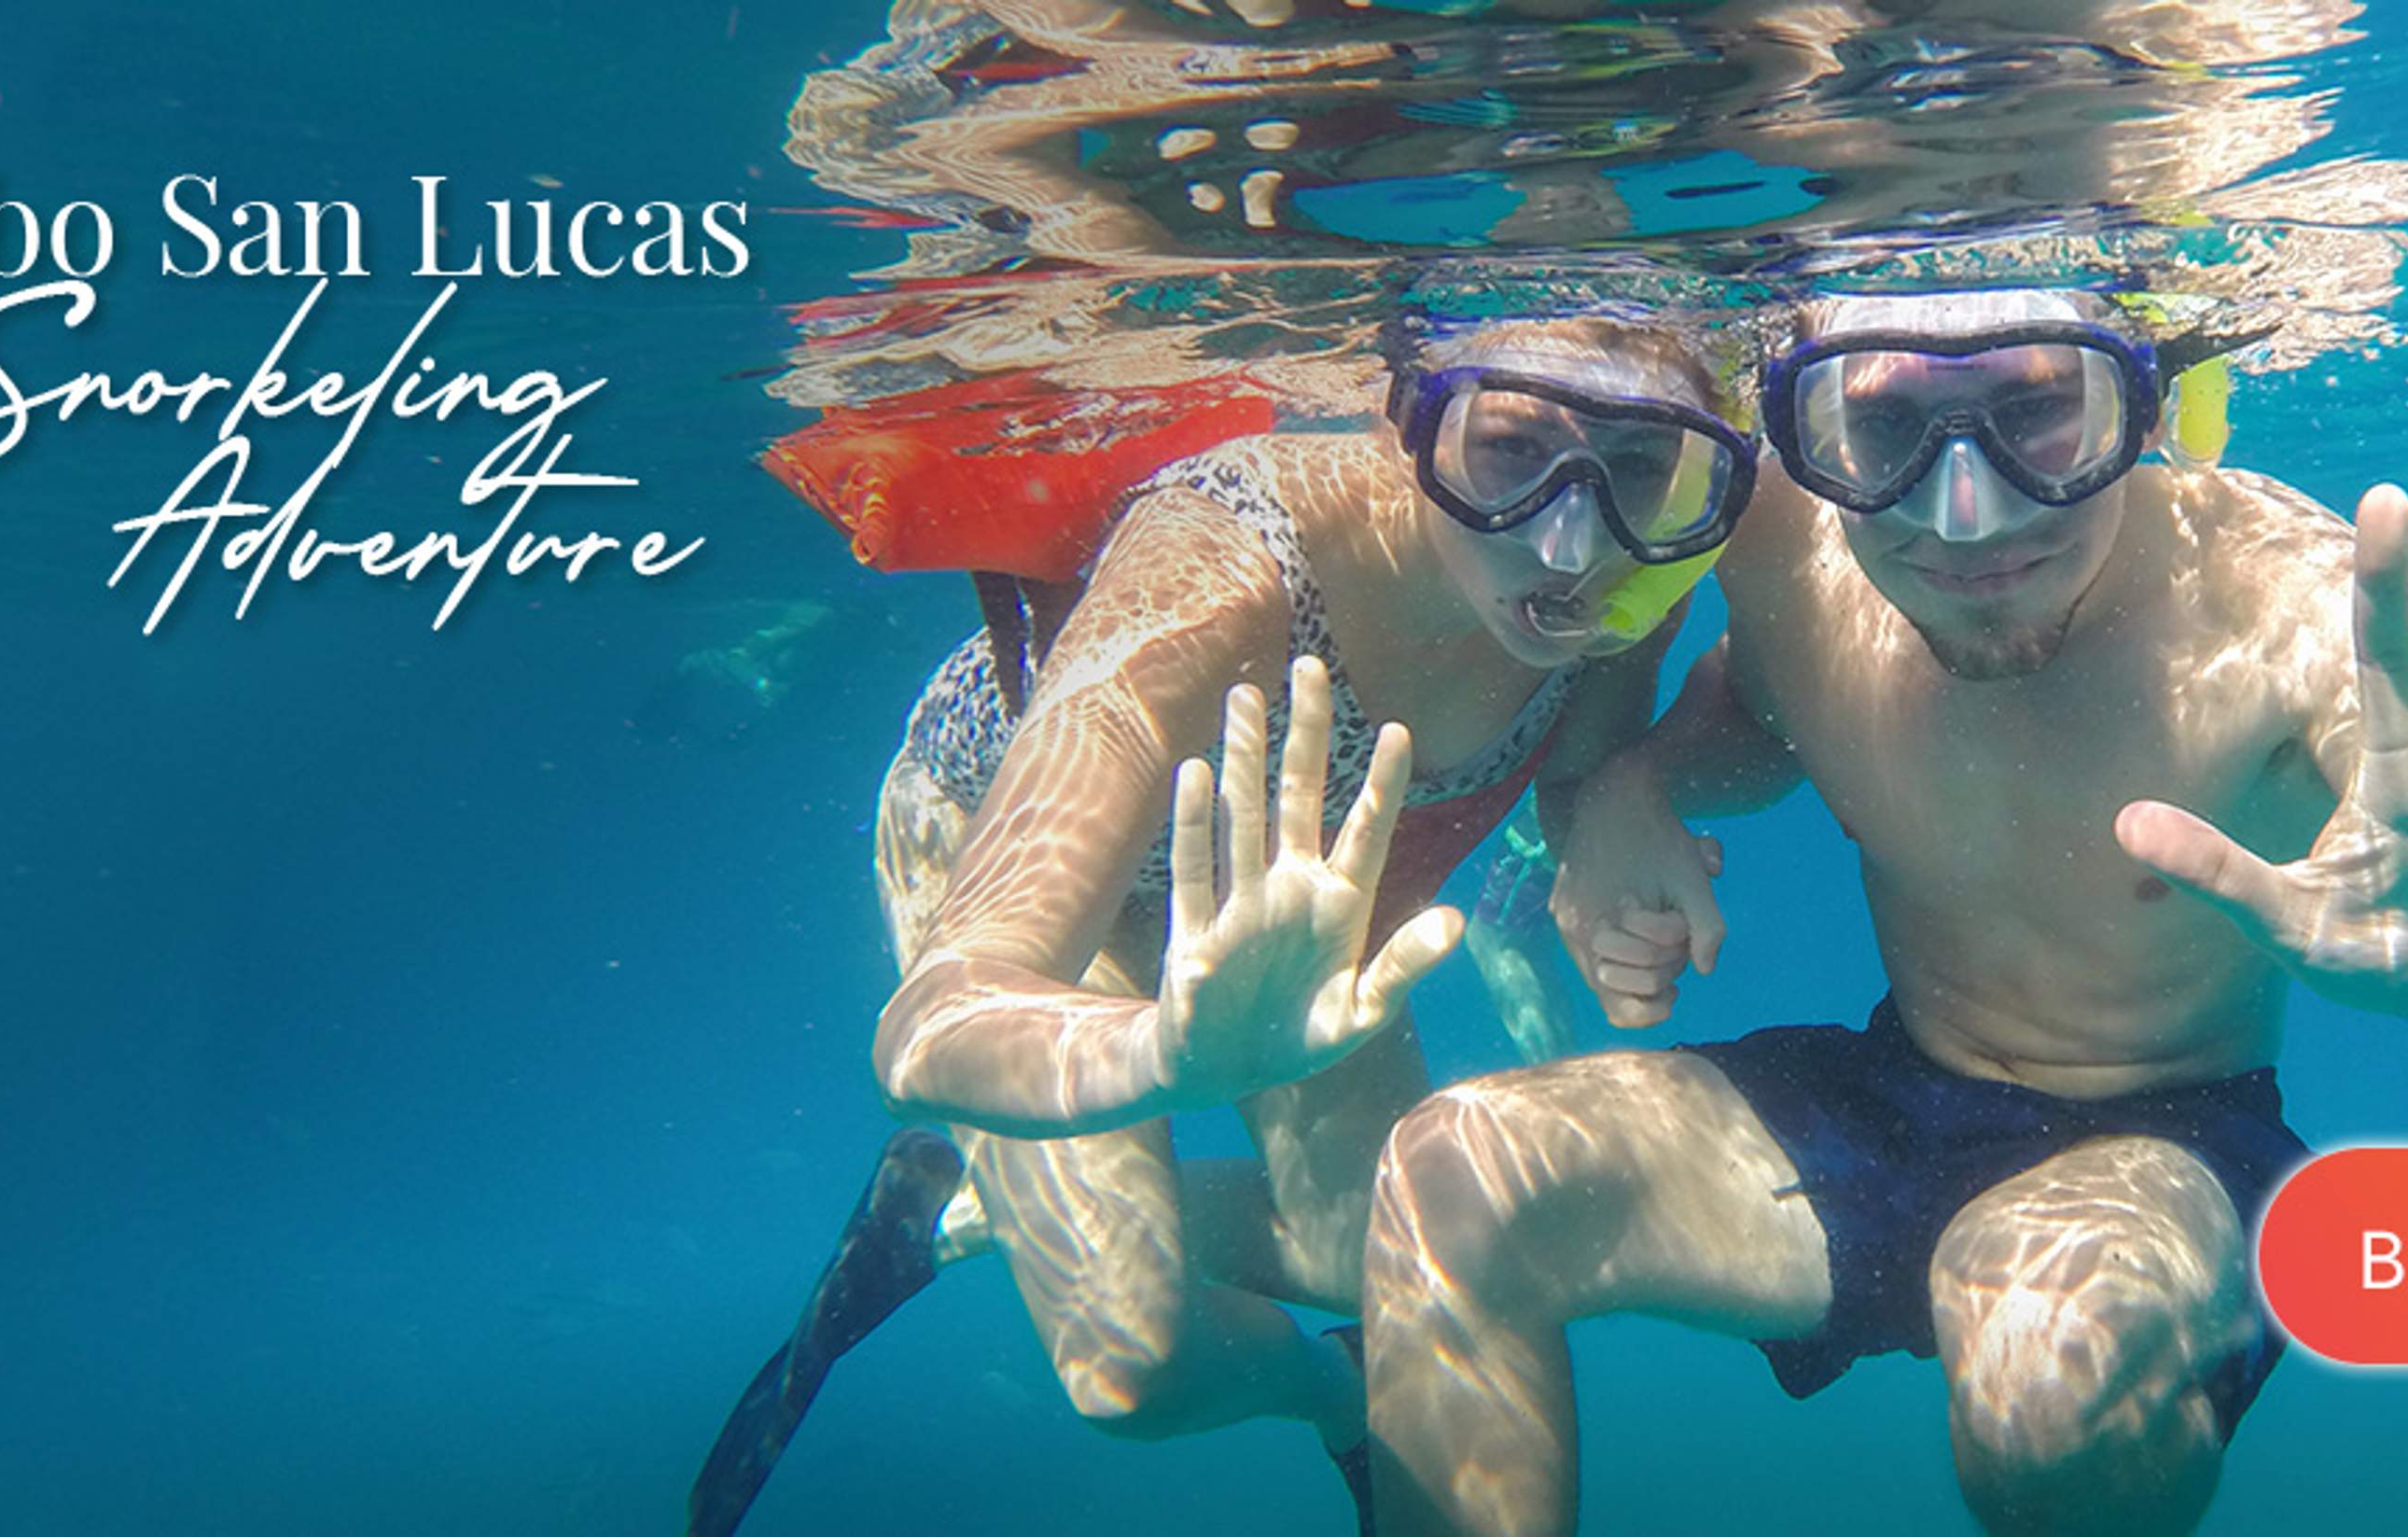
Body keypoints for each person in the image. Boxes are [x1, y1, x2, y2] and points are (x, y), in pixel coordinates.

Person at [1358, 286, 2408, 1535]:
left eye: (2038, 413)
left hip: (2165, 1140)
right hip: (1890, 1095)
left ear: (2144, 404)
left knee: (2048, 1377)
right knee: (1452, 1176)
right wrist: (1629, 782)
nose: (1963, 513)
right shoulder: (1787, 540)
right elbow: (1766, 709)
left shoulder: (2292, 601)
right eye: (1884, 427)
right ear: (1799, 426)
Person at [690, 287, 1764, 1535]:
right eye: (1512, 450)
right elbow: (933, 1020)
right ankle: (1325, 1390)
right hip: (1021, 854)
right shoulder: (1221, 563)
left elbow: (1578, 767)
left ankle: (966, 1211)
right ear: (1401, 420)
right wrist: (1159, 1055)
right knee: (1133, 1370)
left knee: (1402, 1249)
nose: (1571, 544)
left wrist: (1615, 810)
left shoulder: (1636, 572)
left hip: (1281, 913)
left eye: (1638, 464)